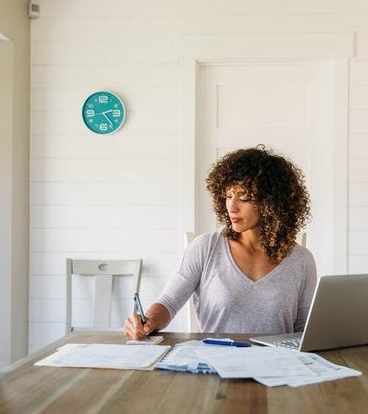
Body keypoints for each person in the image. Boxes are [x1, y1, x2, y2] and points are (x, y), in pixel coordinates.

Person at [124, 145, 317, 340]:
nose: (231, 207)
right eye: (228, 196)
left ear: (272, 203)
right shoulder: (206, 247)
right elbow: (168, 302)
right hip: (215, 363)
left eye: (244, 198)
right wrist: (147, 321)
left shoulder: (301, 260)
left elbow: (304, 330)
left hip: (278, 366)